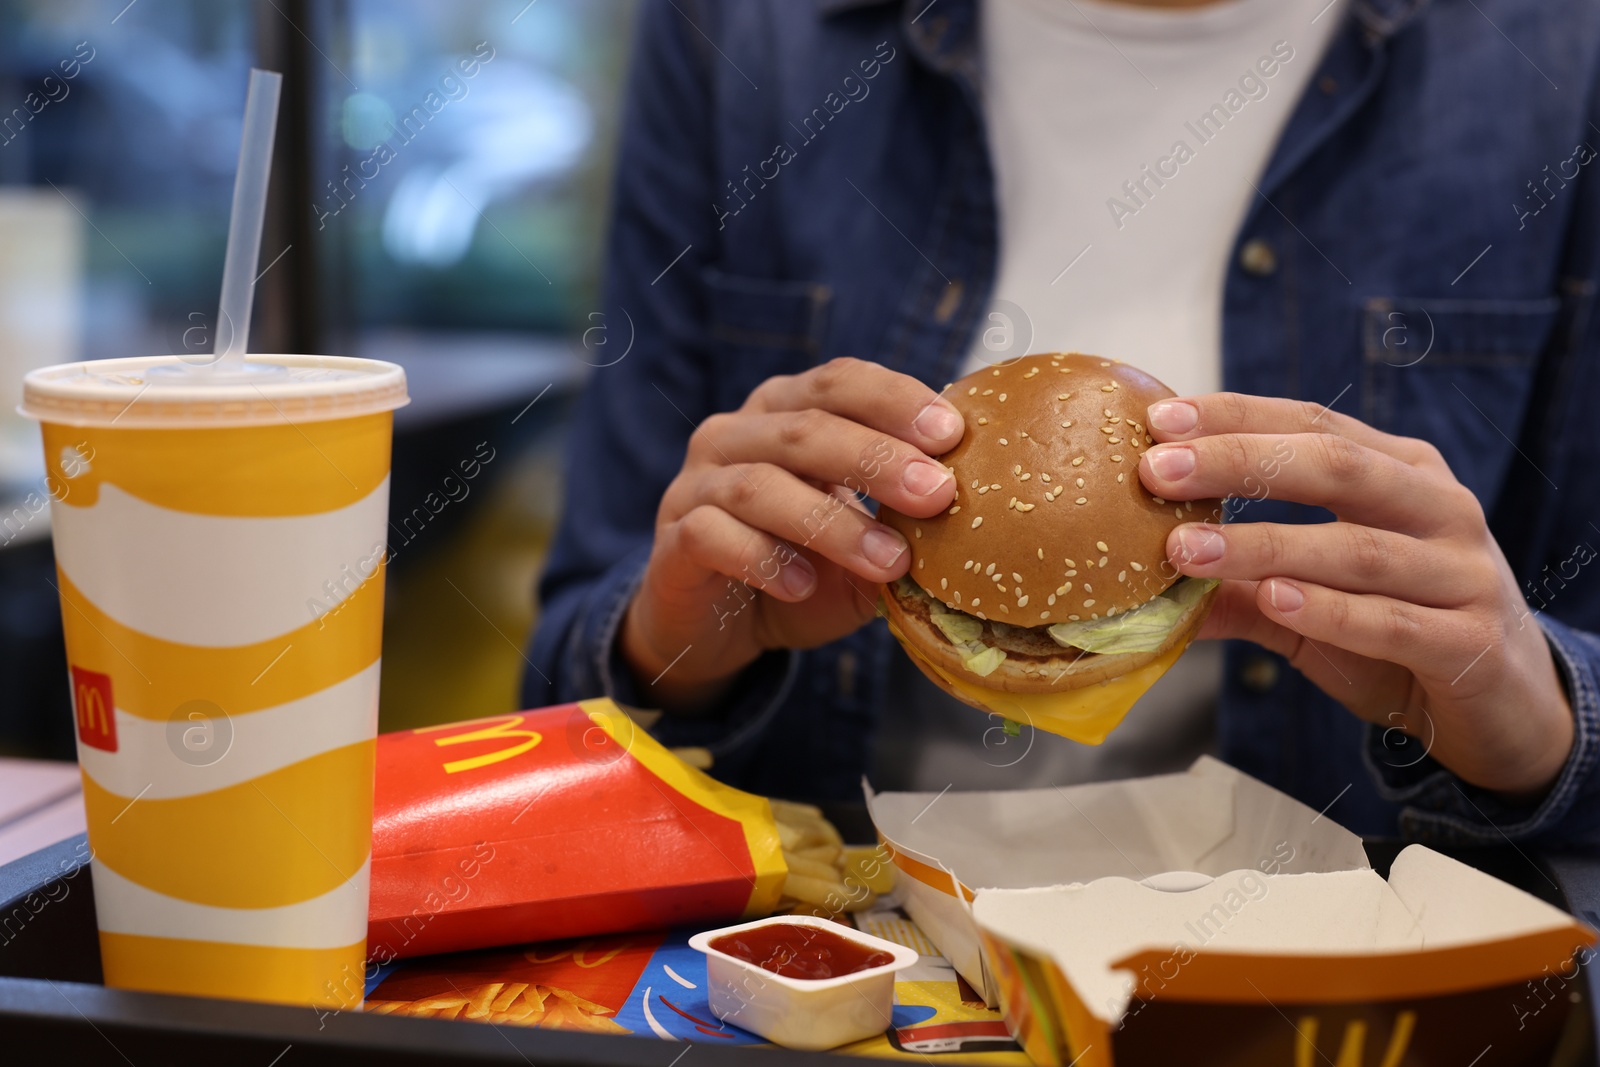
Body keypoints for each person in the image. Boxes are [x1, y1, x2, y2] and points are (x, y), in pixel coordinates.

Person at [524, 0, 1600, 845]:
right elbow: (563, 672)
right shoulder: (741, 29)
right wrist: (676, 648)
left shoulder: (1562, 55)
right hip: (830, 968)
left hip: (1306, 999)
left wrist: (1538, 718)